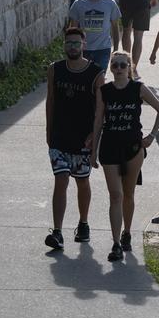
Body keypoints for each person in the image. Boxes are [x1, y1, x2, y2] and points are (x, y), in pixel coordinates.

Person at [92, 50, 159, 262]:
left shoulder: (138, 88)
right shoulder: (104, 90)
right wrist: (93, 151)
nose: (119, 69)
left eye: (123, 65)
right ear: (111, 68)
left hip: (133, 148)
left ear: (129, 67)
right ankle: (115, 243)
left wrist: (151, 136)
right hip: (110, 147)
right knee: (115, 195)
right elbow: (98, 120)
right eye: (115, 65)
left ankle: (127, 232)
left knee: (128, 193)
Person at [44, 27, 105, 251]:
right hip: (59, 137)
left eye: (76, 43)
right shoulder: (55, 69)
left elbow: (100, 110)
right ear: (64, 46)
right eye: (68, 43)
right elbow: (50, 101)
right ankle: (57, 232)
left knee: (82, 181)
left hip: (83, 140)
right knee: (60, 180)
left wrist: (94, 135)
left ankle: (83, 223)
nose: (72, 47)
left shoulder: (96, 73)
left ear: (84, 45)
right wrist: (49, 132)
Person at [69, 0, 121, 74]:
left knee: (99, 79)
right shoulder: (78, 4)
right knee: (85, 80)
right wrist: (72, 48)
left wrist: (116, 49)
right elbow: (73, 30)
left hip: (103, 49)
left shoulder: (110, 4)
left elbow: (115, 28)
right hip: (84, 50)